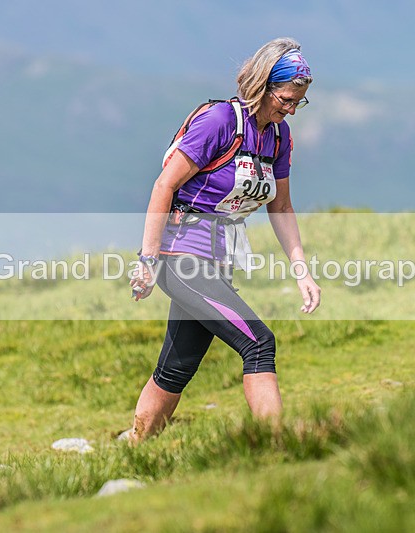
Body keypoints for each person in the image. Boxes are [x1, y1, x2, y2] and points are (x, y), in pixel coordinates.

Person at [127, 37, 321, 442]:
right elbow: (164, 185)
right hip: (179, 257)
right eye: (285, 99)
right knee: (259, 343)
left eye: (297, 103)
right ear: (261, 86)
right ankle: (276, 445)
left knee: (176, 368)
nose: (290, 110)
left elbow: (281, 208)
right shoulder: (220, 122)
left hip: (217, 262)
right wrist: (147, 261)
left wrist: (302, 271)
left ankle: (136, 447)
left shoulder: (279, 137)